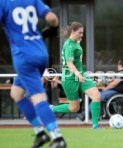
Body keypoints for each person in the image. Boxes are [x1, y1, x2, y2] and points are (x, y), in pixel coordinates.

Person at [0, 0, 66, 147]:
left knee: (38, 98)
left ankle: (57, 137)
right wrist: (52, 29)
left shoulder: (4, 3)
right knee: (16, 93)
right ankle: (40, 133)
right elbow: (52, 19)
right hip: (41, 53)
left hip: (23, 56)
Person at [51, 22, 102, 129]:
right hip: (70, 78)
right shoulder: (69, 45)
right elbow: (69, 63)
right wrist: (78, 74)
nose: (82, 35)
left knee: (96, 96)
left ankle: (95, 125)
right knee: (74, 108)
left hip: (81, 75)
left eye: (83, 33)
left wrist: (78, 43)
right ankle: (51, 109)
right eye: (80, 33)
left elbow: (77, 58)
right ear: (73, 31)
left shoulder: (74, 43)